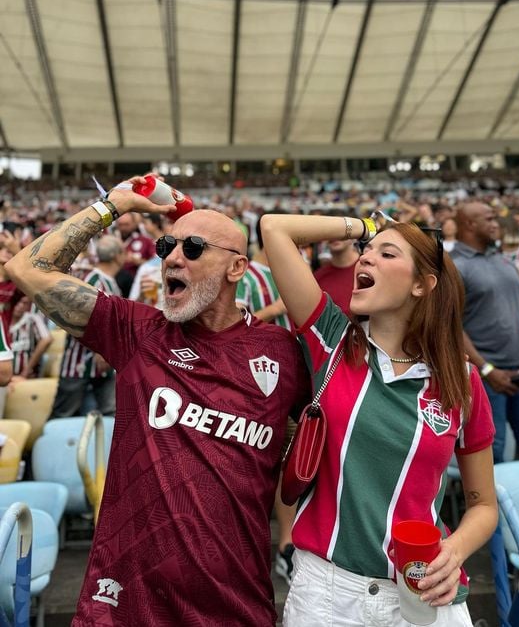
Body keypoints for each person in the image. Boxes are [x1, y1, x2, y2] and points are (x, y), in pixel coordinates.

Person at [5, 178, 310, 626]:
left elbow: (301, 449)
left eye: (192, 247)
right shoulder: (137, 331)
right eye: (166, 244)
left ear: (237, 268)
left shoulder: (283, 352)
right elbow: (28, 269)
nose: (171, 256)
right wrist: (114, 206)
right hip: (124, 600)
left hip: (232, 600)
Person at [260, 211, 498, 626]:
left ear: (423, 285)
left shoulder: (462, 382)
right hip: (327, 595)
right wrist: (367, 228)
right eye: (363, 254)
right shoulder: (331, 340)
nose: (364, 260)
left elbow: (483, 505)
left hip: (424, 590)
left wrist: (454, 551)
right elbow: (273, 229)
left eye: (386, 254)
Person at [452, 202, 519, 463]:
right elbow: (450, 326)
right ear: (470, 224)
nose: (496, 224)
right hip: (485, 377)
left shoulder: (502, 260)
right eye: (489, 219)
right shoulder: (455, 267)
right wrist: (487, 369)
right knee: (492, 455)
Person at [235, 215, 295, 584]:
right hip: (255, 379)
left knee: (284, 461)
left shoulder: (284, 274)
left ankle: (285, 547)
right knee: (268, 462)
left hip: (281, 378)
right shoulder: (250, 273)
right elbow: (234, 324)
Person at [50, 235, 124, 418]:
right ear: (117, 256)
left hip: (102, 362)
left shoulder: (106, 280)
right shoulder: (95, 280)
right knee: (64, 414)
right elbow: (81, 315)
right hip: (79, 362)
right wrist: (101, 348)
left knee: (111, 414)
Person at [313, 217, 360, 314]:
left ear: (354, 235)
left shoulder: (369, 268)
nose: (335, 236)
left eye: (340, 231)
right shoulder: (317, 278)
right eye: (330, 231)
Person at [9, 296, 53, 378]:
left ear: (29, 305)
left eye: (24, 303)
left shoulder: (32, 319)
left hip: (25, 377)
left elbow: (47, 340)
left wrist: (25, 373)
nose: (20, 305)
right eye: (17, 302)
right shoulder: (3, 321)